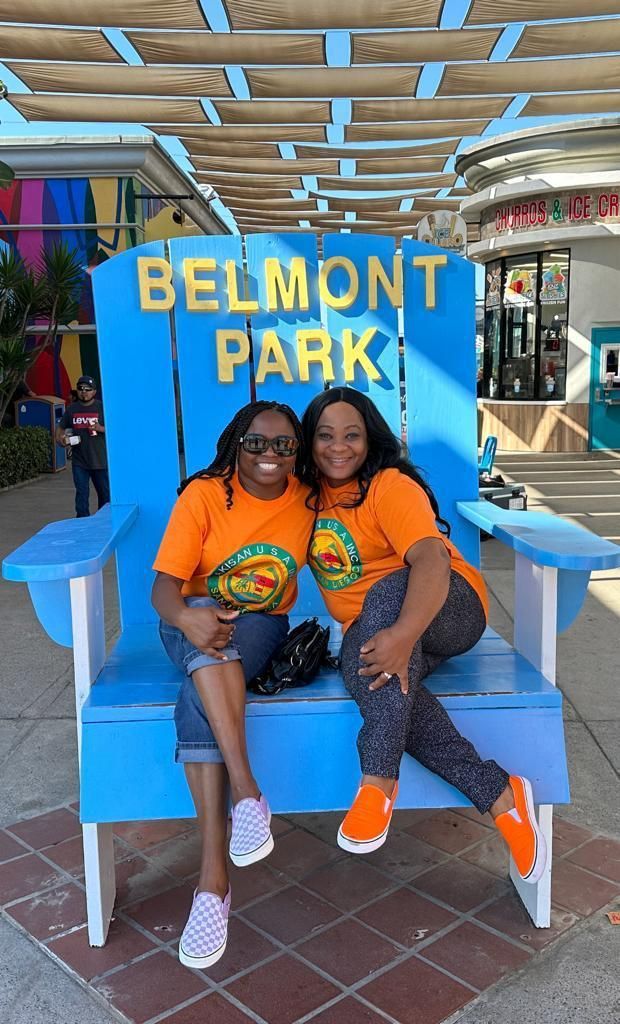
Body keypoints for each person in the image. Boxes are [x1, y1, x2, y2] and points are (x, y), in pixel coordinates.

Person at [301, 386, 546, 886]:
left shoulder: (389, 485)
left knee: (389, 594)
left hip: (448, 609)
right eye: (325, 436)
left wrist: (404, 635)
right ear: (310, 443)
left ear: (370, 440)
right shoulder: (304, 497)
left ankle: (377, 781)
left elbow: (431, 559)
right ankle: (502, 796)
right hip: (372, 635)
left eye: (352, 435)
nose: (338, 447)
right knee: (368, 666)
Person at [151, 400, 314, 970]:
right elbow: (163, 590)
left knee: (200, 685)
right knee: (207, 642)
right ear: (234, 444)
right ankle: (247, 797)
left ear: (297, 451)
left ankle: (212, 885)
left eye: (284, 445)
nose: (270, 455)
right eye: (256, 443)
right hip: (190, 617)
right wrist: (188, 617)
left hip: (261, 621)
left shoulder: (309, 498)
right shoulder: (204, 495)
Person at [56, 375, 109, 517]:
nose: (84, 392)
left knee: (105, 496)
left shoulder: (102, 407)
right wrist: (60, 439)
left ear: (94, 391)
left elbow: (116, 430)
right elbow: (61, 427)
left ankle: (103, 522)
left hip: (100, 461)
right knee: (81, 495)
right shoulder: (72, 409)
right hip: (80, 461)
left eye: (87, 389)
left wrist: (100, 428)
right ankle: (82, 524)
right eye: (80, 389)